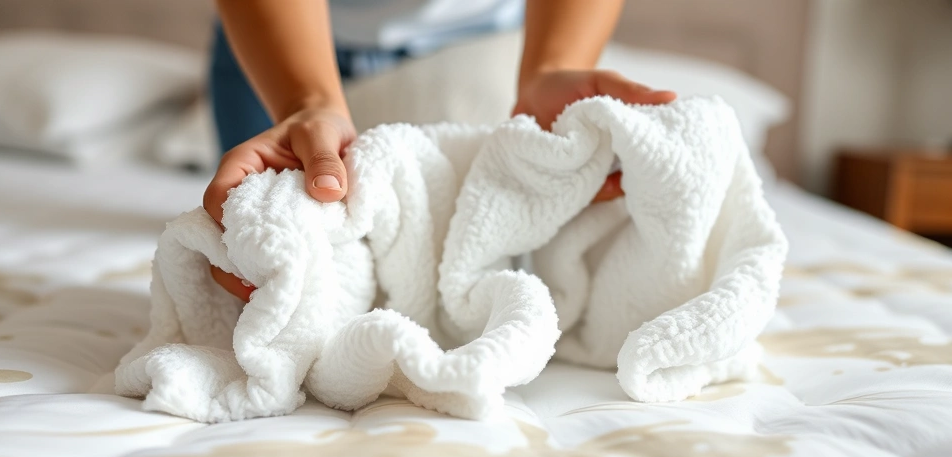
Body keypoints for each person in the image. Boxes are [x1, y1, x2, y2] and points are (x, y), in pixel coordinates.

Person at [203, 0, 677, 301]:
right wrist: (306, 102)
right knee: (265, 232)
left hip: (478, 42)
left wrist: (553, 68)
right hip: (278, 36)